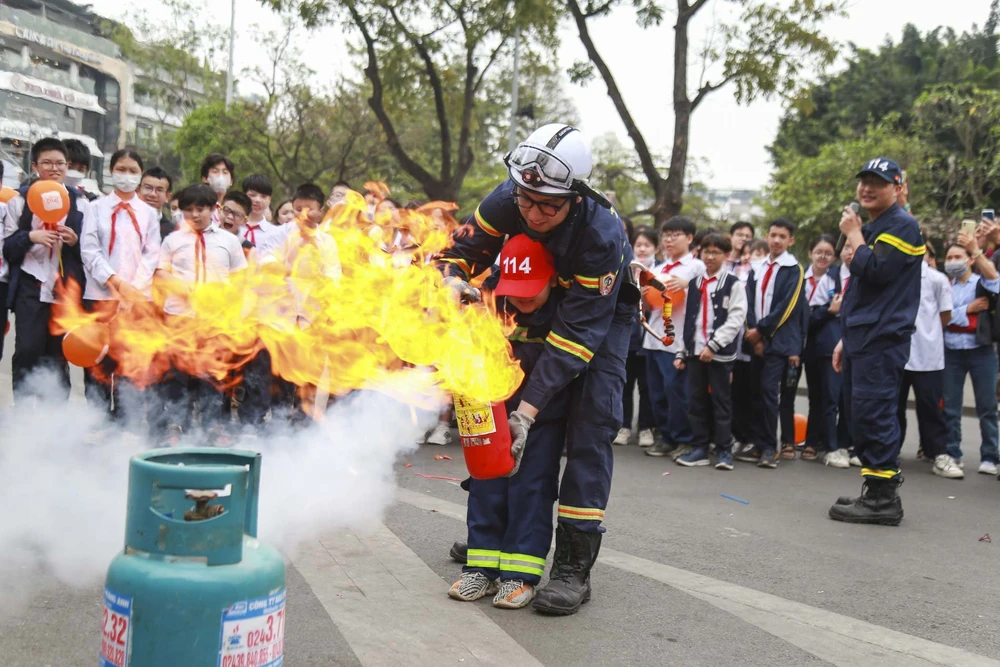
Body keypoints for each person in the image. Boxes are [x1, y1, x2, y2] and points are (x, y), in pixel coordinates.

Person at [439, 123, 633, 616]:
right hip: (521, 297)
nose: (532, 212)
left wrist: (527, 412)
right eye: (526, 200)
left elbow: (574, 340)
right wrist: (451, 282)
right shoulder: (508, 199)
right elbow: (455, 254)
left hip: (598, 316)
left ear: (575, 196)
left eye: (547, 205)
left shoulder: (601, 235)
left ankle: (572, 566)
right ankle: (492, 539)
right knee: (496, 425)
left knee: (587, 428)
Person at [450, 234, 567, 609]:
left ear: (552, 278)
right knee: (485, 485)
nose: (522, 299)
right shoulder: (489, 296)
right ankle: (480, 569)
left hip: (540, 414)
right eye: (515, 290)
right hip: (492, 409)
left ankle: (519, 576)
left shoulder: (567, 307)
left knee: (531, 488)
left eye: (531, 290)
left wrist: (527, 415)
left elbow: (562, 364)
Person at [829, 158, 925, 526]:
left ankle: (885, 499)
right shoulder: (875, 226)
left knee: (876, 412)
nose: (867, 188)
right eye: (864, 181)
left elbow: (877, 271)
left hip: (883, 338)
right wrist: (846, 338)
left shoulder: (902, 225)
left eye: (879, 182)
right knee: (861, 414)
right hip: (863, 335)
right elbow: (862, 290)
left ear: (897, 188)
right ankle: (874, 489)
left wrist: (854, 235)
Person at [154, 184, 248, 442]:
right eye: (188, 210)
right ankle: (176, 425)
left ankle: (212, 427)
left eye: (200, 209)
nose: (194, 215)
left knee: (212, 374)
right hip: (180, 316)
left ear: (214, 209)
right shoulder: (173, 240)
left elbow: (241, 278)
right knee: (177, 375)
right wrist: (180, 287)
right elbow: (160, 272)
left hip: (215, 319)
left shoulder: (229, 241)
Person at [3, 137, 89, 399]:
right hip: (31, 284)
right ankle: (23, 410)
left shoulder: (80, 203)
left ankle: (56, 414)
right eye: (47, 163)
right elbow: (7, 248)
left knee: (58, 354)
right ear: (35, 166)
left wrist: (74, 241)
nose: (54, 168)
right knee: (28, 349)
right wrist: (31, 237)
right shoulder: (20, 201)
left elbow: (89, 250)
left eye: (60, 163)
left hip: (64, 287)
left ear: (67, 165)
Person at [79, 149, 162, 422]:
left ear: (140, 175)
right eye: (121, 169)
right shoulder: (95, 208)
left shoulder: (149, 213)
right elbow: (89, 250)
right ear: (111, 171)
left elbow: (152, 255)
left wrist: (133, 289)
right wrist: (115, 282)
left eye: (132, 171)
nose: (127, 175)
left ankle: (126, 421)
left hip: (137, 300)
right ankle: (97, 420)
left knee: (129, 362)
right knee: (98, 361)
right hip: (101, 294)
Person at [673, 233, 747, 469]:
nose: (710, 257)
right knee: (696, 401)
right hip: (695, 351)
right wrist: (681, 352)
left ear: (727, 255)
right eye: (706, 252)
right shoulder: (695, 284)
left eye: (716, 252)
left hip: (719, 353)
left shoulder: (733, 284)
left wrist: (713, 345)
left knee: (721, 401)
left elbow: (736, 319)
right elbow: (688, 321)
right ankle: (700, 448)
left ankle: (724, 450)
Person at [743, 218, 808, 468]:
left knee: (770, 392)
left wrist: (762, 331)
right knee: (755, 393)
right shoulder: (757, 267)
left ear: (790, 240)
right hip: (756, 339)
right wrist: (752, 331)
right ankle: (758, 443)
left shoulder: (794, 269)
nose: (777, 240)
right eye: (773, 235)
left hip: (778, 341)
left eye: (782, 236)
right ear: (767, 237)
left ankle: (771, 447)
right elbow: (748, 300)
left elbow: (787, 307)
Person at [642, 217, 705, 459]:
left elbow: (706, 296)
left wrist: (688, 285)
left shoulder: (696, 267)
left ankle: (685, 438)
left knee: (677, 392)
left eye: (675, 235)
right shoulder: (658, 270)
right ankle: (665, 437)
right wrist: (644, 294)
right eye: (665, 235)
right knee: (657, 392)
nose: (668, 240)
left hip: (678, 341)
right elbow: (650, 306)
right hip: (654, 338)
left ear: (689, 238)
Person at [899, 242, 961, 478]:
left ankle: (939, 454)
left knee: (931, 408)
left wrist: (928, 333)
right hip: (898, 353)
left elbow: (945, 315)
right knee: (893, 407)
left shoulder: (937, 279)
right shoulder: (895, 276)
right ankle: (889, 453)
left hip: (928, 355)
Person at [941, 229, 1000, 476]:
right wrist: (968, 310)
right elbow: (941, 318)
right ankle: (953, 453)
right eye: (949, 257)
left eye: (958, 257)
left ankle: (990, 456)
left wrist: (977, 249)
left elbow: (995, 280)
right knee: (951, 407)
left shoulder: (981, 282)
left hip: (981, 351)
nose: (953, 261)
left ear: (970, 260)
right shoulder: (944, 285)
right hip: (951, 351)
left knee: (987, 407)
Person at [801, 234, 845, 465]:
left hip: (834, 344)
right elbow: (807, 316)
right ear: (810, 253)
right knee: (817, 396)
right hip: (809, 344)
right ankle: (813, 442)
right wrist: (830, 310)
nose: (823, 257)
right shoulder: (801, 278)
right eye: (819, 252)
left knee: (833, 396)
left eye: (828, 253)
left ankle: (832, 443)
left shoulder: (836, 277)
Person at [615, 226, 656, 447]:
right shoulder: (626, 268)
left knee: (647, 386)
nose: (642, 249)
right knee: (626, 384)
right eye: (638, 244)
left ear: (655, 248)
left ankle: (645, 428)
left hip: (650, 339)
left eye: (647, 245)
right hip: (628, 338)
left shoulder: (659, 273)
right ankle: (624, 426)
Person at [241, 174, 289, 258]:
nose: (258, 200)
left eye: (263, 196)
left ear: (269, 200)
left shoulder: (276, 233)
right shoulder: (232, 227)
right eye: (252, 195)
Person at [139, 167, 174, 240]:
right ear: (138, 191)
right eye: (148, 188)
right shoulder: (126, 221)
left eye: (159, 190)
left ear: (168, 196)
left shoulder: (172, 232)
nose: (153, 194)